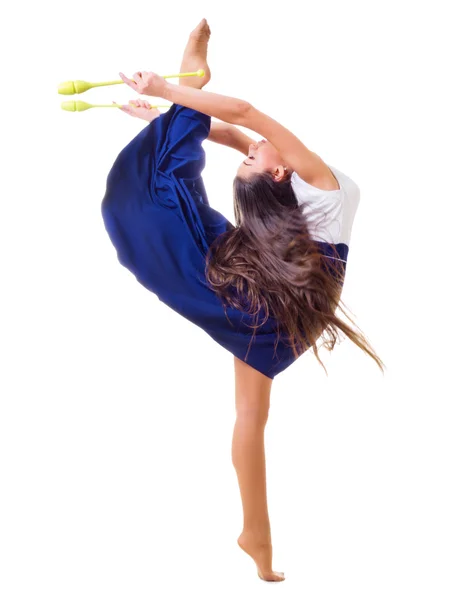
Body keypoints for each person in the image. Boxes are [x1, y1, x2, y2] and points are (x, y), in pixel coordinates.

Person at [103, 18, 385, 582]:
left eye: (253, 160)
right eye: (256, 158)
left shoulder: (308, 177)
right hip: (287, 310)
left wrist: (172, 93)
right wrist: (171, 110)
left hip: (276, 299)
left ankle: (188, 78)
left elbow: (246, 117)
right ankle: (256, 537)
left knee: (165, 177)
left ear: (277, 171)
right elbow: (242, 129)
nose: (253, 151)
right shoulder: (307, 177)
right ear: (279, 172)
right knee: (251, 415)